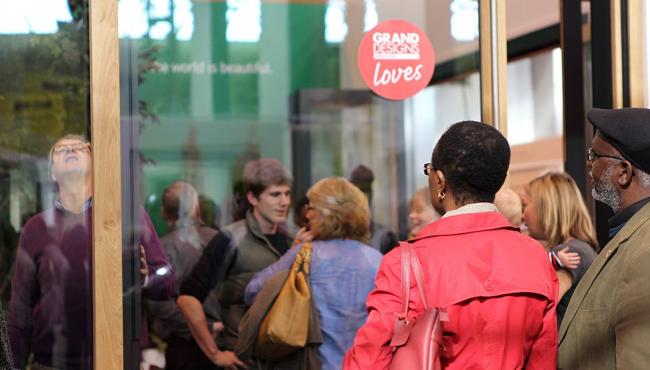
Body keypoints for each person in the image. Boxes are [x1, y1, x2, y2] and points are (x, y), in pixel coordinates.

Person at [344, 121, 558, 369]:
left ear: (441, 181)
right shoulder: (535, 256)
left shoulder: (406, 263)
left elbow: (367, 361)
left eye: (430, 171)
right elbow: (544, 358)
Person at [7, 135, 175, 370]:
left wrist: (145, 278)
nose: (70, 149)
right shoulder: (35, 228)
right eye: (60, 149)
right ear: (52, 173)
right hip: (51, 364)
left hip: (118, 360)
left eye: (80, 147)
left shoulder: (127, 214)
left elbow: (167, 282)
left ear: (96, 164)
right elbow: (19, 310)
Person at [243, 177, 383, 369]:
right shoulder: (378, 261)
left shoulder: (305, 254)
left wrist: (292, 255)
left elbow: (253, 291)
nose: (307, 214)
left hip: (313, 363)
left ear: (326, 214)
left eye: (311, 207)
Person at [177, 158, 293, 368]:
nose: (284, 202)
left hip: (283, 358)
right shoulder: (230, 238)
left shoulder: (291, 241)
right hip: (244, 359)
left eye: (287, 194)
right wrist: (214, 354)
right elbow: (187, 297)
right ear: (253, 198)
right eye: (275, 194)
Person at [558, 108, 650, 369]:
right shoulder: (629, 234)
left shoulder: (645, 251)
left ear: (623, 172)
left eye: (594, 155)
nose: (589, 164)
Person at [147, 181, 221, 370]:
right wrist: (213, 328)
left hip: (184, 347)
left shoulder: (160, 250)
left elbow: (159, 305)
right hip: (223, 342)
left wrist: (198, 329)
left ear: (164, 213)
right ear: (197, 209)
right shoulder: (221, 240)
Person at [522, 172, 598, 325]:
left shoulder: (567, 253)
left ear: (546, 208)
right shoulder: (582, 248)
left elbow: (539, 309)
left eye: (525, 205)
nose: (523, 215)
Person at [349, 165, 398, 253]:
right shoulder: (341, 234)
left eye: (368, 190)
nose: (365, 196)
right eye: (360, 190)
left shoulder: (385, 237)